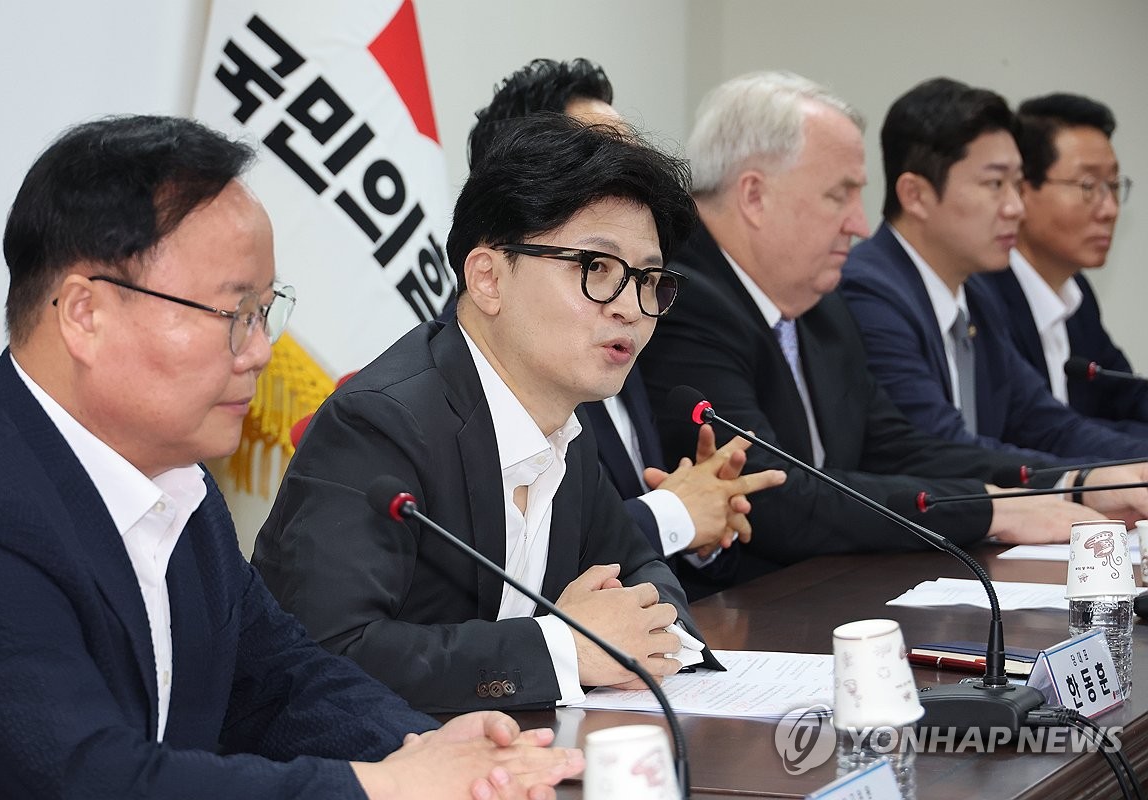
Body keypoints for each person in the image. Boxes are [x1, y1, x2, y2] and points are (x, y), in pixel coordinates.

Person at [0, 114, 581, 800]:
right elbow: (92, 777)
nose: (259, 352)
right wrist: (382, 786)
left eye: (265, 311)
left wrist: (429, 750)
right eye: (233, 314)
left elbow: (282, 683)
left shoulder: (178, 484)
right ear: (84, 314)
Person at [255, 115, 724, 714]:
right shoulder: (380, 425)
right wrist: (565, 649)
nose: (632, 307)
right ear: (488, 279)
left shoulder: (563, 425)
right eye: (597, 269)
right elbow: (329, 655)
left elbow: (642, 568)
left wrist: (643, 627)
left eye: (649, 279)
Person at [638, 72, 1108, 597]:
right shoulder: (681, 301)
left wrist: (1070, 483)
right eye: (839, 195)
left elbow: (897, 447)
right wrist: (990, 510)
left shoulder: (821, 304)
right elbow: (771, 495)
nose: (860, 225)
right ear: (754, 195)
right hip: (739, 615)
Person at [465, 57, 777, 562]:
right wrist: (672, 515)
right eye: (600, 157)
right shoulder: (456, 388)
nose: (631, 307)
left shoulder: (619, 316)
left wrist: (704, 522)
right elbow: (507, 565)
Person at [840, 77, 1148, 464]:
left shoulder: (976, 297)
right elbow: (941, 449)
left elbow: (1051, 427)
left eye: (1016, 185)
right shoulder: (869, 292)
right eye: (995, 183)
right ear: (915, 195)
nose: (1016, 207)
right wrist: (1079, 480)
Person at [974, 93, 1148, 434]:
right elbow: (1038, 434)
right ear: (1022, 191)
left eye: (1113, 185)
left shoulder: (1075, 292)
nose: (1110, 209)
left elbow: (1128, 395)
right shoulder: (983, 297)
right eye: (1088, 186)